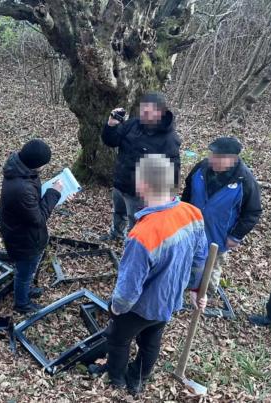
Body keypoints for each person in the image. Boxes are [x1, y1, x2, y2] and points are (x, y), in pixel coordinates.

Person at [88, 154, 208, 396]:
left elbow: (130, 284)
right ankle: (138, 378)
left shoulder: (142, 234)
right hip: (170, 299)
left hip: (141, 306)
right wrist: (195, 289)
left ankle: (118, 379)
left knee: (119, 339)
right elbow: (199, 258)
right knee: (152, 339)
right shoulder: (192, 213)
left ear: (142, 185)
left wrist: (118, 308)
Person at [182, 137, 262, 295]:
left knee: (211, 267)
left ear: (232, 159)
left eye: (218, 157)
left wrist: (235, 236)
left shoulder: (245, 180)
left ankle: (206, 293)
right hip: (192, 228)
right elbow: (188, 190)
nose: (212, 159)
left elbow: (253, 212)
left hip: (219, 235)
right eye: (212, 154)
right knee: (189, 258)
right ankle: (187, 284)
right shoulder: (201, 168)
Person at [100, 92, 181, 241]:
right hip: (120, 182)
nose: (144, 115)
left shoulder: (169, 139)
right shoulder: (133, 124)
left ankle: (130, 250)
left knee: (135, 223)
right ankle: (115, 234)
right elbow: (111, 141)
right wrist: (111, 125)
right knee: (118, 213)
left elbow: (173, 169)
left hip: (139, 192)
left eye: (149, 112)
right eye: (143, 110)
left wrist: (164, 197)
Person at [0, 139, 63, 314]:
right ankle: (22, 303)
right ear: (35, 164)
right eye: (42, 164)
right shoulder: (22, 188)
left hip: (22, 232)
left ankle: (25, 290)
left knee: (26, 270)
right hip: (23, 239)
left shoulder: (21, 170)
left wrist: (53, 193)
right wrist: (54, 193)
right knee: (24, 272)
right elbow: (38, 218)